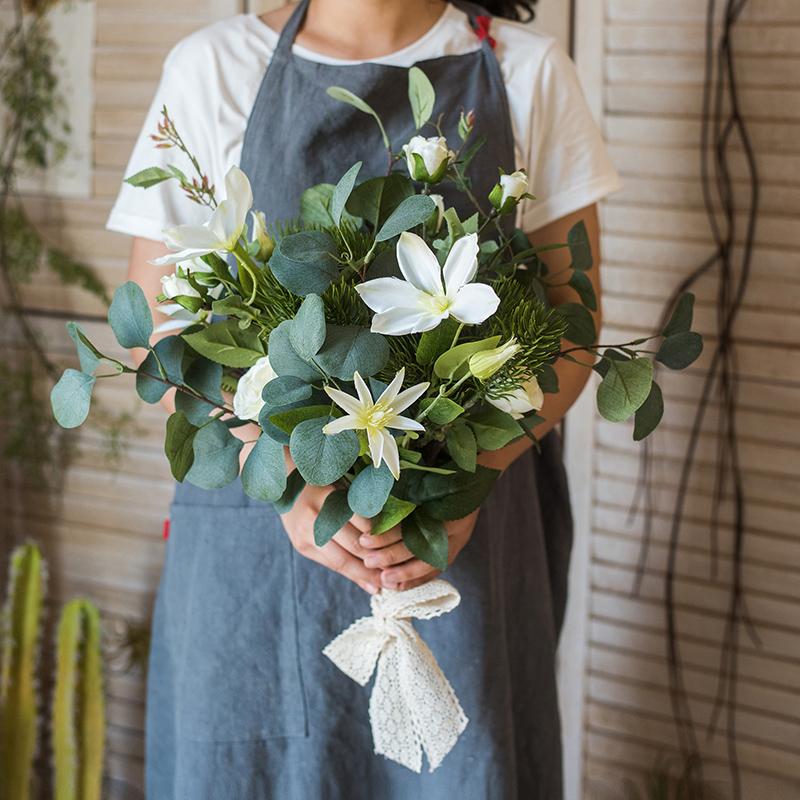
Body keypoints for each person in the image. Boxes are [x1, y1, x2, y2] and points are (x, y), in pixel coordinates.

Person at [108, 1, 621, 797]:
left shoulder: (528, 70)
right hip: (256, 549)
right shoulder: (215, 65)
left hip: (460, 554)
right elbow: (157, 330)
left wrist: (470, 474)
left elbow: (572, 321)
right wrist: (283, 471)